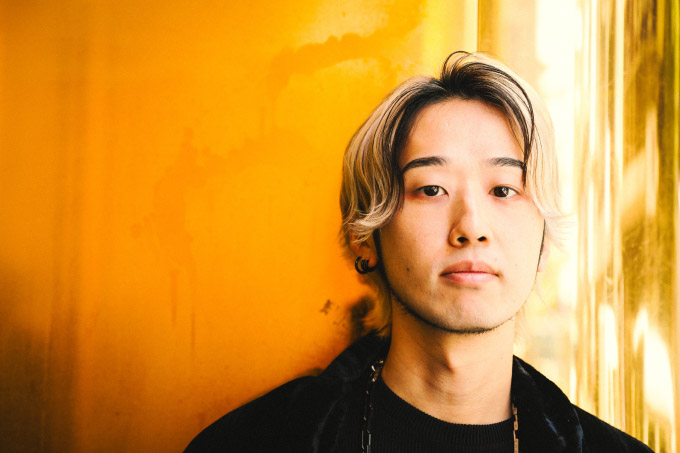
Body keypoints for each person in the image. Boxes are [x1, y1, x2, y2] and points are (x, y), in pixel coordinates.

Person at [185, 52, 652, 452]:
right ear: (366, 235)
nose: (471, 227)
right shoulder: (256, 441)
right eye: (431, 189)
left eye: (504, 190)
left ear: (544, 241)